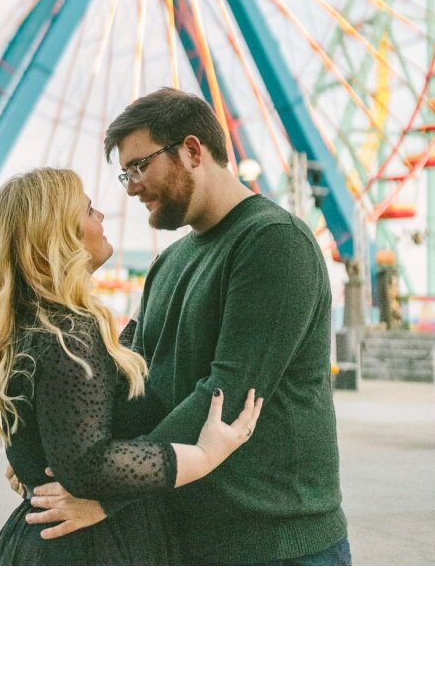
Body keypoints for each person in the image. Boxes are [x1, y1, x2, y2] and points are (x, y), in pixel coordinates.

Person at [25, 88, 353, 566]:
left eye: (139, 166)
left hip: (274, 542)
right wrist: (56, 455)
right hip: (185, 534)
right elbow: (129, 384)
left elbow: (227, 395)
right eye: (125, 174)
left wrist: (105, 495)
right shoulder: (169, 264)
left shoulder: (273, 242)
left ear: (193, 151)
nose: (131, 187)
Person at [0, 167, 262, 565]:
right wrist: (204, 455)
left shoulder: (32, 324)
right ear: (58, 233)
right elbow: (89, 465)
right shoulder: (70, 333)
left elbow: (68, 430)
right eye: (89, 210)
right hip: (90, 547)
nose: (101, 217)